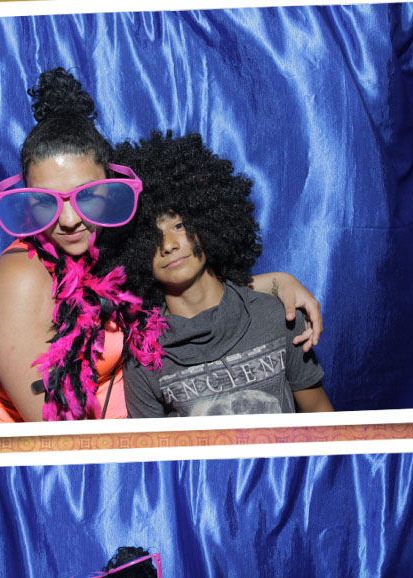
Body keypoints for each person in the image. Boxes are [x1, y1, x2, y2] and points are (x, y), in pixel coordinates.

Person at [0, 68, 322, 423]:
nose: (68, 219)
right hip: (47, 455)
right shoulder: (21, 278)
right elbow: (54, 433)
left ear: (110, 186)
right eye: (46, 200)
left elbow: (173, 292)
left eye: (85, 195)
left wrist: (275, 282)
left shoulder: (107, 248)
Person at [115, 132, 335, 417]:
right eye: (150, 238)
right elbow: (152, 449)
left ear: (208, 221)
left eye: (179, 225)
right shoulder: (143, 359)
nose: (168, 245)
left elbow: (321, 418)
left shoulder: (275, 316)